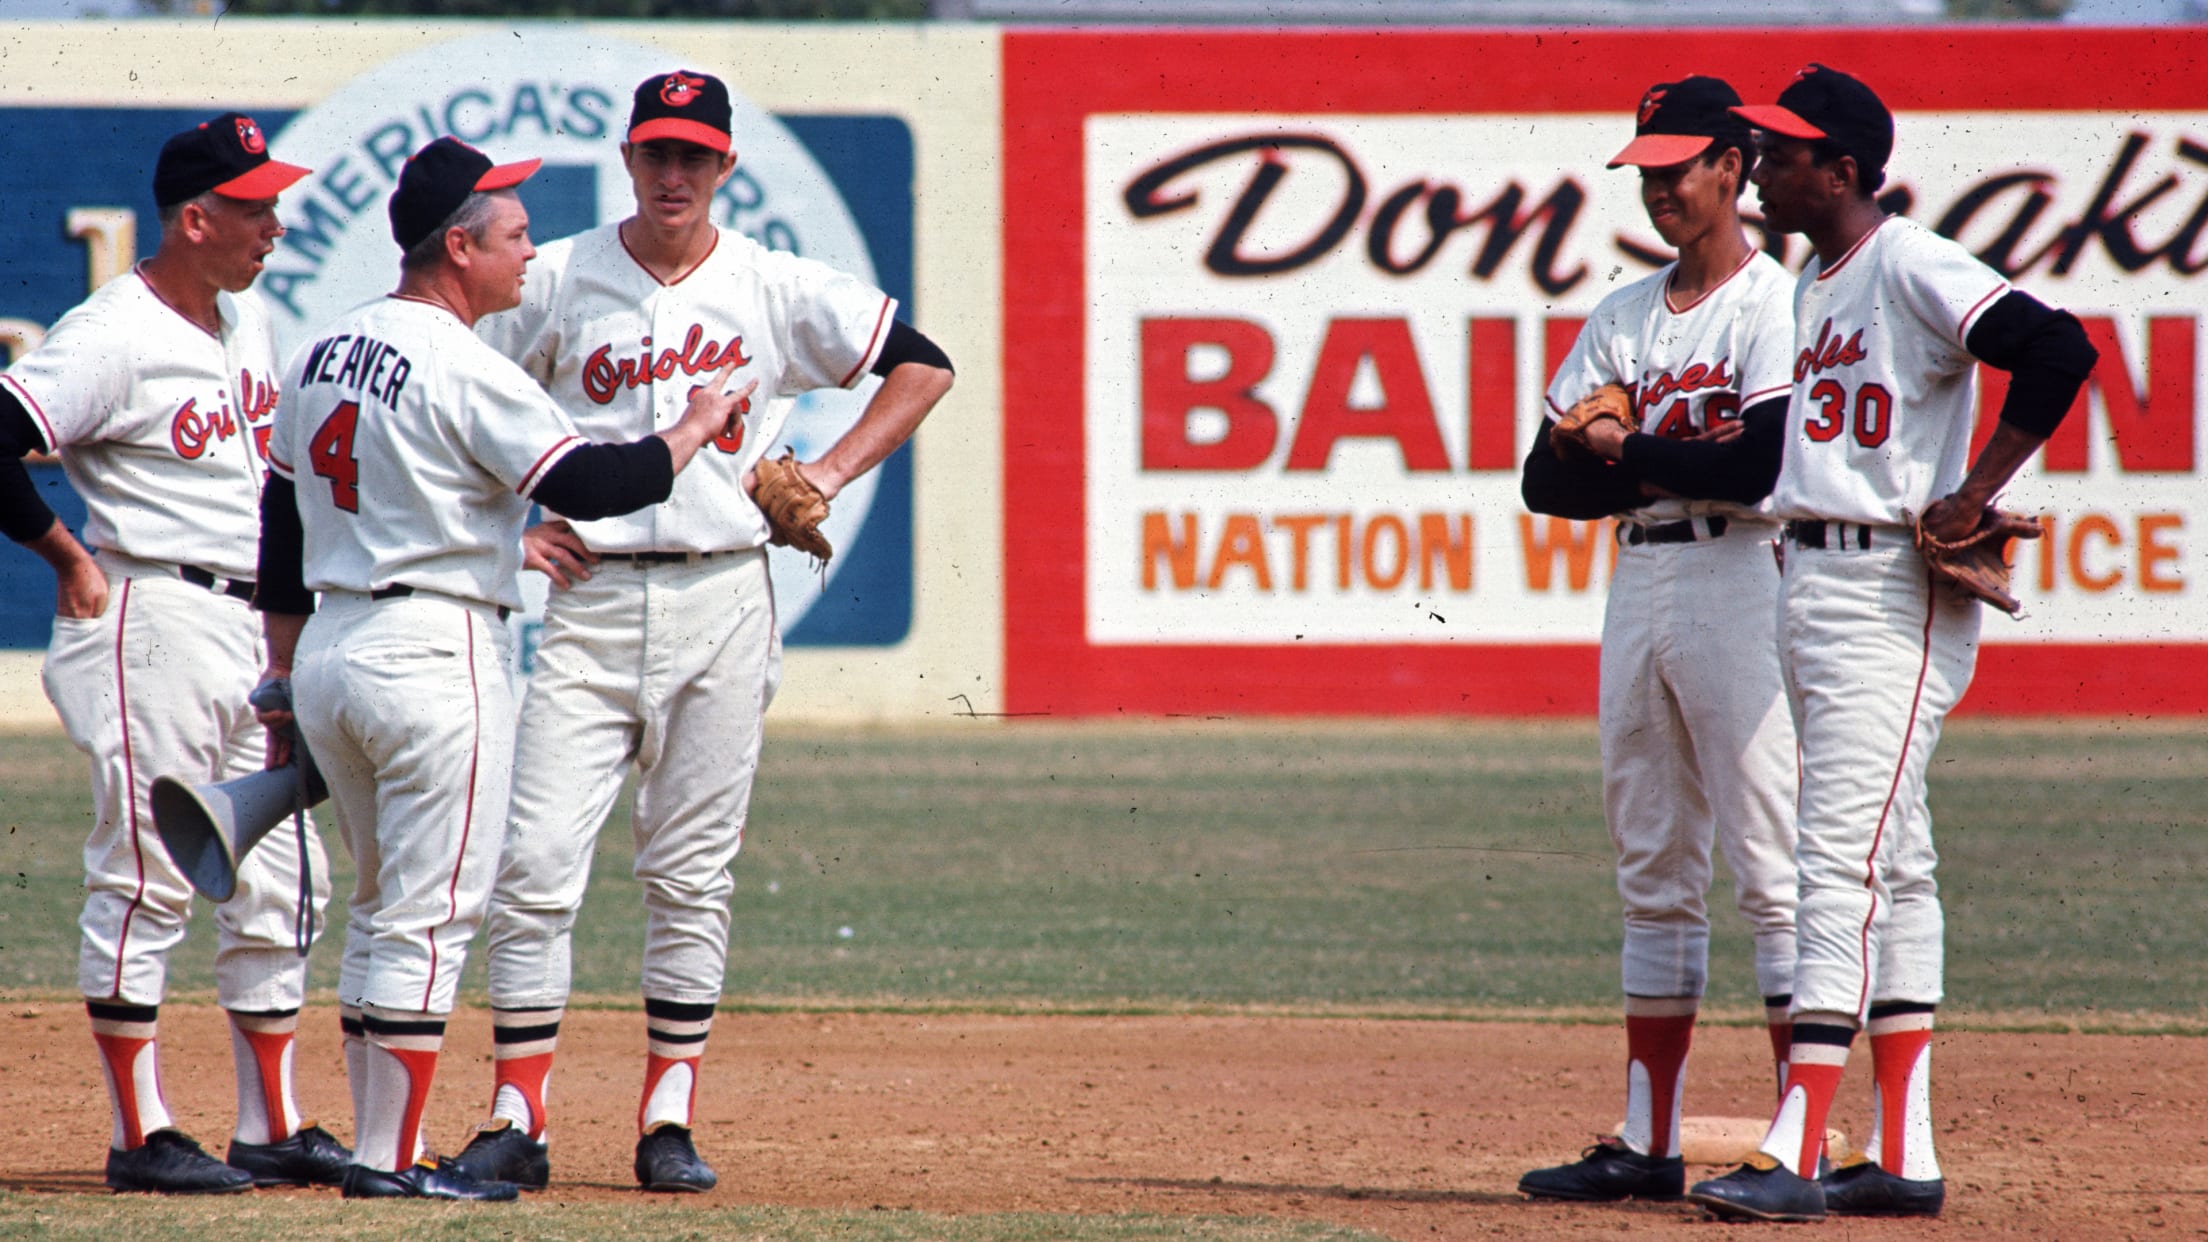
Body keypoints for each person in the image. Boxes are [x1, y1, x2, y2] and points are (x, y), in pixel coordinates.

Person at [447, 69, 953, 1194]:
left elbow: (923, 365)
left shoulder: (771, 284)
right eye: (657, 153)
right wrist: (507, 534)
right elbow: (452, 404)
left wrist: (824, 469)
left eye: (696, 156)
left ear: (726, 167)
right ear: (628, 158)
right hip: (589, 599)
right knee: (533, 867)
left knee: (691, 873)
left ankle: (666, 1117)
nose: (674, 174)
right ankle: (516, 1116)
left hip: (725, 595)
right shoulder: (562, 275)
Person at [254, 135, 754, 1201]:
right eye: (514, 235)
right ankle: (390, 1163)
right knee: (432, 917)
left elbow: (280, 517)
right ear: (457, 247)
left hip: (338, 644)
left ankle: (372, 1145)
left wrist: (285, 668)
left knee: (381, 905)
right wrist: (696, 427)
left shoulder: (326, 349)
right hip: (435, 655)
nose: (530, 255)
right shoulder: (466, 364)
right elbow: (599, 478)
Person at [1684, 64, 2099, 1223]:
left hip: (1884, 588)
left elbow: (2058, 349)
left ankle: (1796, 1149)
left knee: (1837, 864)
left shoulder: (1908, 257)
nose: (1761, 171)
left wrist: (1975, 490)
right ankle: (1905, 1156)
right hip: (1809, 578)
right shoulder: (1818, 280)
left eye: (1783, 154)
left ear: (1846, 170)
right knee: (1895, 862)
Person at [0, 113, 349, 1195]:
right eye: (256, 208)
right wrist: (64, 553)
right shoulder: (114, 332)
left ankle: (272, 1122)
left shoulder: (243, 324)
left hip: (252, 629)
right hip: (153, 618)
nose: (276, 226)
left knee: (286, 876)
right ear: (196, 218)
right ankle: (139, 1131)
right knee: (147, 872)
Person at [1516, 76, 1800, 1205]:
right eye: (1645, 171)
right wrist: (1634, 451)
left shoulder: (1773, 304)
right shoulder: (1625, 314)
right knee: (1652, 867)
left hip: (1745, 578)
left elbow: (1754, 469)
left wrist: (1617, 439)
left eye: (1678, 168)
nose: (1659, 190)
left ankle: (1798, 1137)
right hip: (1642, 581)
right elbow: (1544, 480)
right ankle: (1649, 1139)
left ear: (1733, 165)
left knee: (1771, 867)